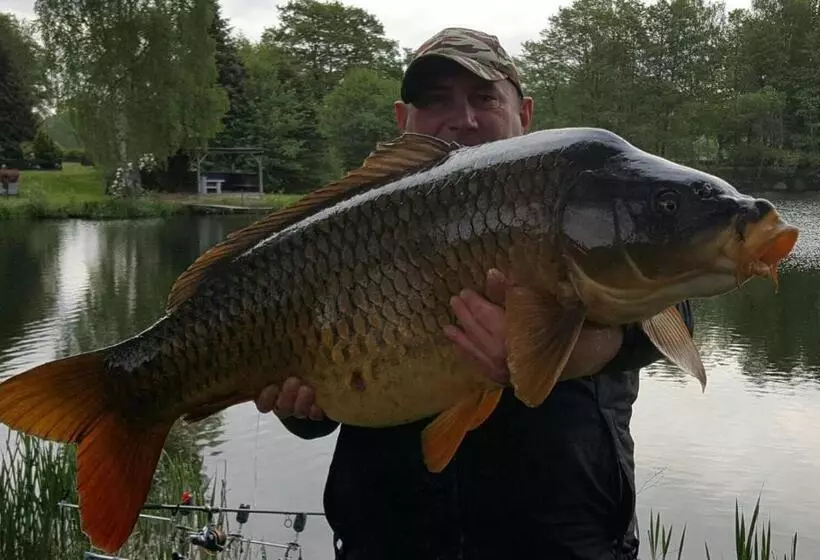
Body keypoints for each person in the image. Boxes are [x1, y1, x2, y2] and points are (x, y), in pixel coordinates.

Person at [255, 27, 694, 560]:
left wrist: (571, 351)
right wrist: (299, 408)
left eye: (484, 98)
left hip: (563, 543)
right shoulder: (352, 226)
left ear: (524, 114)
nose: (462, 119)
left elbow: (674, 305)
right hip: (387, 542)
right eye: (436, 101)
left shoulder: (582, 196)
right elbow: (310, 406)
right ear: (403, 121)